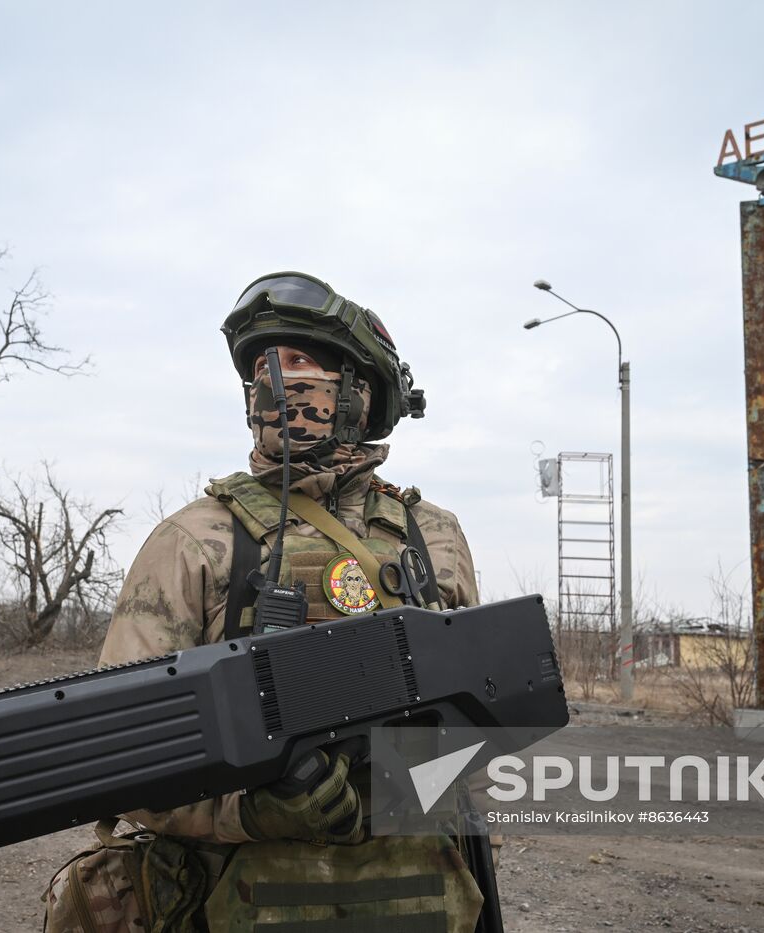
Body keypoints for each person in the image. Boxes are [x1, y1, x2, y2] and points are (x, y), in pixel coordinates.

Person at [44, 272, 486, 933]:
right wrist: (250, 808)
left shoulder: (434, 537)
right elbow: (116, 763)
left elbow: (478, 737)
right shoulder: (194, 540)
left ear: (363, 391)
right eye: (263, 371)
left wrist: (384, 783)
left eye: (305, 366)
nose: (280, 384)